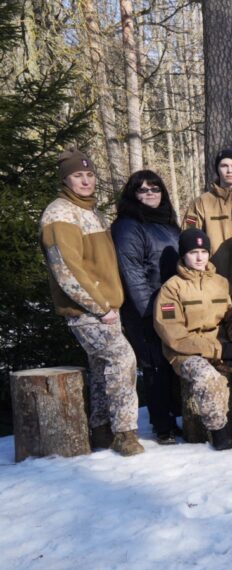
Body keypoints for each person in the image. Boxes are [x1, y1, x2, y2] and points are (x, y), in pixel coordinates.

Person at [40, 147, 143, 456]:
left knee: (101, 368)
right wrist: (100, 307)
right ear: (65, 179)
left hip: (107, 308)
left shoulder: (90, 211)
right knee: (123, 359)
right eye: (77, 176)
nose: (85, 181)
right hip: (88, 310)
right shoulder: (59, 214)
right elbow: (66, 270)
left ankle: (101, 430)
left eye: (89, 175)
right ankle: (125, 433)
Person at [153, 229, 232, 451]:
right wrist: (218, 349)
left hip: (220, 344)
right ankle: (219, 431)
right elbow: (173, 334)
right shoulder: (172, 288)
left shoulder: (221, 283)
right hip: (185, 353)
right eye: (193, 252)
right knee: (208, 377)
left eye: (204, 252)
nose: (199, 257)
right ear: (183, 255)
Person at [111, 169, 181, 444]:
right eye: (143, 189)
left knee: (171, 362)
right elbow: (132, 273)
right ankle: (162, 426)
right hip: (146, 308)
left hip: (172, 304)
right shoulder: (128, 226)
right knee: (155, 365)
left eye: (155, 188)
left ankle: (173, 417)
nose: (150, 193)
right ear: (133, 194)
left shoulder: (168, 223)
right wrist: (149, 313)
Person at [181, 149, 232, 301]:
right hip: (212, 278)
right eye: (224, 166)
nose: (229, 170)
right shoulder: (202, 203)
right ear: (217, 169)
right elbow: (187, 240)